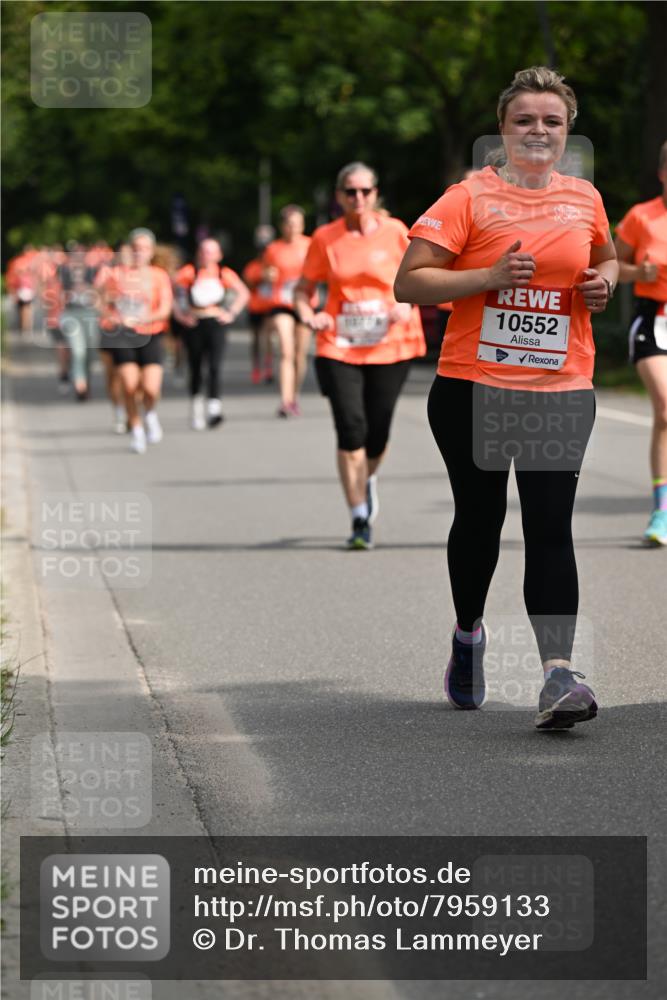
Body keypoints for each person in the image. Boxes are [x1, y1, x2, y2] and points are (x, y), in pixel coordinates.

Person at [394, 66, 618, 730]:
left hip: (560, 387)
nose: (538, 131)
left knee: (549, 528)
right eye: (524, 120)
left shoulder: (584, 198)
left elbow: (603, 257)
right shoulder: (467, 197)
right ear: (502, 128)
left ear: (567, 128)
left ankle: (556, 676)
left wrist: (602, 283)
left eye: (551, 120)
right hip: (472, 387)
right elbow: (409, 283)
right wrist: (487, 276)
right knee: (480, 521)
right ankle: (468, 634)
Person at [295, 162, 426, 549]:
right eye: (350, 192)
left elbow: (421, 279)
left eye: (365, 191)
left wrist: (409, 304)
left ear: (375, 194)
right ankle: (358, 516)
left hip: (391, 342)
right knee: (351, 427)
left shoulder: (397, 232)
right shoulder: (325, 238)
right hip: (339, 344)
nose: (358, 199)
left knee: (378, 430)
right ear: (339, 196)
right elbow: (303, 290)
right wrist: (309, 314)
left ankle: (367, 479)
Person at [615, 140, 667, 546]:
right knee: (665, 408)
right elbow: (612, 266)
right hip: (654, 319)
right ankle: (661, 511)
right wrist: (640, 271)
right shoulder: (641, 216)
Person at [99, 228, 173, 453]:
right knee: (129, 386)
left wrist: (143, 318)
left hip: (150, 333)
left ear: (151, 252)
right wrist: (114, 317)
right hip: (123, 335)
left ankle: (150, 413)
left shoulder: (159, 276)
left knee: (150, 389)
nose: (139, 252)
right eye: (135, 248)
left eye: (144, 249)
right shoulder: (116, 274)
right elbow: (99, 302)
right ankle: (137, 430)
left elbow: (165, 308)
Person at [175, 238, 250, 430]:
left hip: (216, 322)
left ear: (218, 255)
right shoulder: (188, 273)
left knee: (215, 366)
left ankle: (214, 407)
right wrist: (181, 316)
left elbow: (243, 292)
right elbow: (171, 294)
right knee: (196, 365)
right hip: (195, 323)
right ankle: (196, 407)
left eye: (210, 252)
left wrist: (231, 312)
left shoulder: (224, 274)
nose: (206, 255)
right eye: (203, 251)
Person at [263, 206, 313, 416]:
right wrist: (269, 275)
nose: (293, 227)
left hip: (305, 304)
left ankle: (294, 396)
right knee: (286, 351)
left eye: (297, 223)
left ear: (302, 225)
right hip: (281, 303)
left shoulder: (311, 245)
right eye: (289, 223)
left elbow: (321, 271)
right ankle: (284, 400)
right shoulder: (273, 248)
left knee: (300, 355)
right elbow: (265, 272)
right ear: (282, 226)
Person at [243, 227, 275, 385]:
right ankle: (256, 368)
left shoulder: (275, 266)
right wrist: (261, 277)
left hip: (270, 306)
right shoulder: (253, 266)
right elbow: (248, 282)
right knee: (256, 340)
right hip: (255, 307)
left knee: (268, 338)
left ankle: (268, 368)